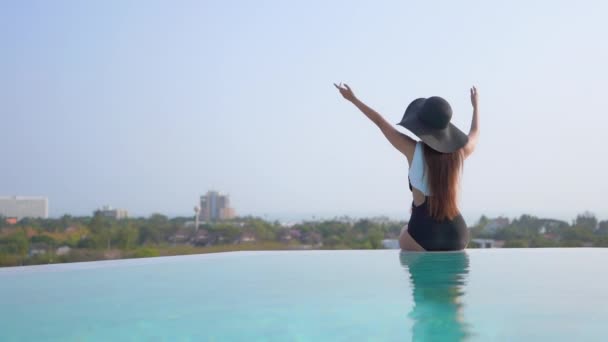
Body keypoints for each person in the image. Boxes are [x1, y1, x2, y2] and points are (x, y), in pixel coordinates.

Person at [334, 82, 480, 251]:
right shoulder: (459, 154)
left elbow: (380, 122)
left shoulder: (412, 149)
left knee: (404, 232)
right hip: (458, 235)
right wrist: (475, 106)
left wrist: (353, 99)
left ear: (422, 126)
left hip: (423, 235)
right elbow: (474, 133)